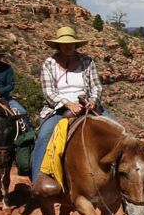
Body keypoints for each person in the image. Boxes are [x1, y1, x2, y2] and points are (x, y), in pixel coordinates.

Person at [30, 26, 108, 196]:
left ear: (75, 45)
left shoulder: (87, 61)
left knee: (118, 131)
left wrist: (93, 101)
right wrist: (67, 104)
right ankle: (37, 179)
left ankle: (121, 187)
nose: (68, 47)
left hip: (87, 104)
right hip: (57, 108)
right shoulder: (49, 64)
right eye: (64, 44)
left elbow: (96, 86)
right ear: (58, 46)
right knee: (44, 135)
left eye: (71, 44)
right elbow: (48, 92)